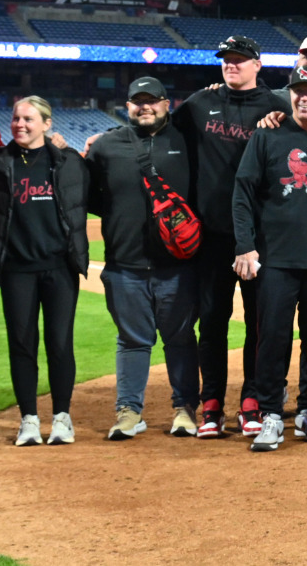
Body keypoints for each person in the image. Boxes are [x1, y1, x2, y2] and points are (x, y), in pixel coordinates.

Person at [175, 34, 291, 439]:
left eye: (240, 58)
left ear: (258, 65)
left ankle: (252, 399)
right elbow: (162, 134)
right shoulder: (199, 103)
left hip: (261, 238)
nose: (231, 64)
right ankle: (211, 404)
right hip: (211, 236)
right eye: (226, 58)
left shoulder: (276, 107)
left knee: (259, 324)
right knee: (212, 323)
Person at [231, 65, 307, 451]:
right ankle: (270, 414)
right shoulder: (267, 135)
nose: (305, 97)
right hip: (276, 258)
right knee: (272, 338)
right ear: (290, 95)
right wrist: (245, 245)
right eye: (298, 90)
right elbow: (243, 192)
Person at [86, 75, 201, 442]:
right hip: (125, 265)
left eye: (152, 100)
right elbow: (88, 197)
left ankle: (185, 409)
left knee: (180, 339)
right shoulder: (105, 146)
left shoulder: (189, 142)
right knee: (132, 340)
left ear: (167, 104)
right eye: (138, 101)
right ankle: (129, 411)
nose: (145, 106)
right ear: (128, 106)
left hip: (178, 266)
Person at [0, 95, 89, 448]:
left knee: (60, 344)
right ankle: (28, 419)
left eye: (28, 119)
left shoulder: (68, 162)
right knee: (22, 345)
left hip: (59, 268)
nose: (20, 125)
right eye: (16, 118)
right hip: (17, 269)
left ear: (47, 123)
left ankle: (62, 417)